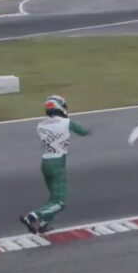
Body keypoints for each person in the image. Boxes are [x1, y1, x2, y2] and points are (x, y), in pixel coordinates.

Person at [20, 96, 91, 234]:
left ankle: (43, 224)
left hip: (45, 163)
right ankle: (33, 216)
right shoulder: (66, 122)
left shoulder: (40, 125)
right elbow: (83, 132)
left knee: (53, 198)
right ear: (60, 107)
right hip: (58, 163)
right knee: (60, 203)